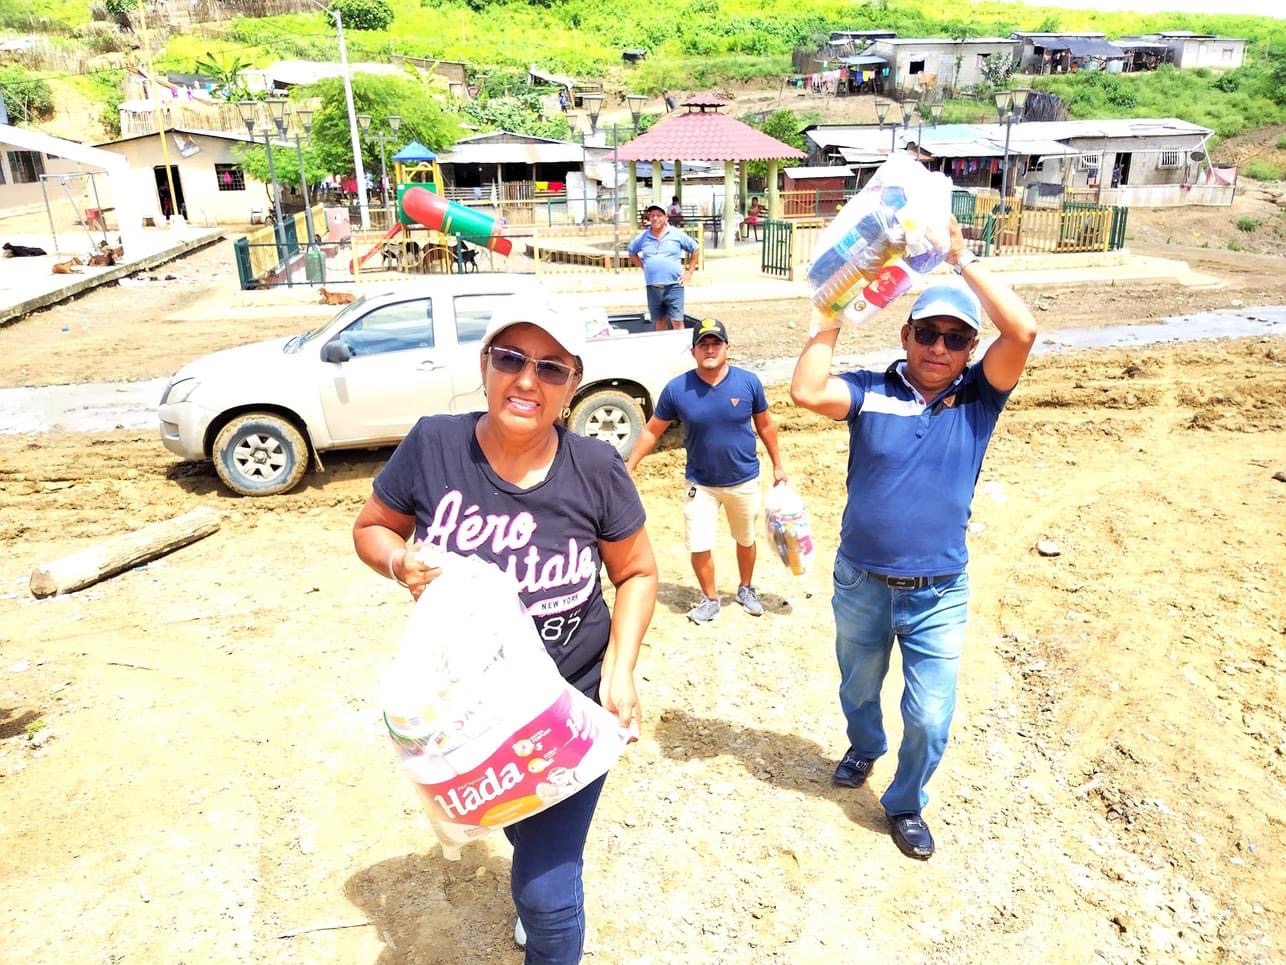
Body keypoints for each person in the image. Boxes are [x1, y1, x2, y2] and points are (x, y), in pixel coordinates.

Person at [353, 295, 658, 962]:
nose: (527, 379)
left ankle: (545, 920)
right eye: (511, 358)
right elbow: (372, 527)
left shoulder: (596, 467)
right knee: (519, 826)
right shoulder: (434, 444)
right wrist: (399, 560)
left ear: (572, 384)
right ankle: (534, 877)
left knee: (546, 889)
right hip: (472, 708)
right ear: (485, 365)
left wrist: (620, 669)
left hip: (568, 701)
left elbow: (637, 571)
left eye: (550, 367)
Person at [789, 216, 1037, 861]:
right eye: (927, 333)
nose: (938, 348)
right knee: (858, 689)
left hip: (938, 591)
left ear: (970, 349)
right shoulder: (870, 390)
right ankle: (865, 744)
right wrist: (832, 311)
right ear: (905, 335)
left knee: (929, 715)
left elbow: (1022, 331)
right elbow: (806, 391)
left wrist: (961, 259)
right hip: (861, 581)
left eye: (955, 339)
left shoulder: (980, 397)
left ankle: (904, 803)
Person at [626, 317, 786, 624]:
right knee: (698, 543)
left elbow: (766, 425)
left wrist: (778, 464)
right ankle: (710, 599)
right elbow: (651, 430)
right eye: (703, 345)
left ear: (727, 348)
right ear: (693, 351)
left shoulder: (748, 382)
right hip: (700, 483)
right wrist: (629, 466)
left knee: (746, 538)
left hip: (744, 479)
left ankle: (746, 588)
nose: (710, 349)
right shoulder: (677, 389)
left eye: (716, 343)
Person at [627, 203, 699, 332]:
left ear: (666, 217)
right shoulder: (643, 237)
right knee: (660, 322)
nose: (655, 218)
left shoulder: (676, 234)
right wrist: (644, 266)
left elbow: (695, 249)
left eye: (659, 215)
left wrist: (690, 272)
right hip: (653, 287)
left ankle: (680, 344)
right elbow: (632, 252)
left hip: (674, 286)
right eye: (652, 215)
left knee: (677, 322)